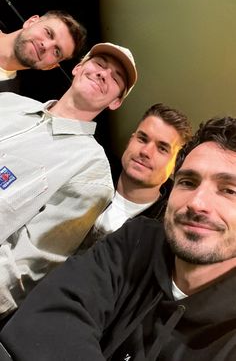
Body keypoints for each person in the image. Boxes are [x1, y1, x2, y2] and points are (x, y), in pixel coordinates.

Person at [1, 116, 236, 360]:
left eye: (229, 190)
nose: (197, 203)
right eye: (188, 182)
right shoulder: (136, 240)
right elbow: (46, 316)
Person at [0, 41, 137, 323]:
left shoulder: (92, 173)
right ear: (78, 67)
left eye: (116, 78)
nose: (103, 74)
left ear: (115, 102)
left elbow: (25, 267)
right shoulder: (8, 103)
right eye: (99, 64)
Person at [81, 103, 192, 248]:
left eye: (162, 148)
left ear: (175, 166)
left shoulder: (166, 234)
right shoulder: (86, 170)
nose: (146, 151)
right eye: (142, 139)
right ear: (130, 141)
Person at [0, 10, 87, 91]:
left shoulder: (8, 100)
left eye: (56, 52)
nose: (46, 45)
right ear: (31, 22)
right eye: (48, 33)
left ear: (50, 66)